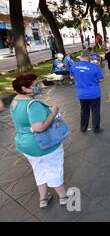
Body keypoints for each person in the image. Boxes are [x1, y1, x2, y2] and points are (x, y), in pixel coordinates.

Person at [10, 74, 69, 208]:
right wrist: (54, 112)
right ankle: (63, 197)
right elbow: (39, 127)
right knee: (54, 169)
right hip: (43, 145)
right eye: (35, 85)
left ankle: (43, 199)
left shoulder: (15, 101)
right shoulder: (33, 105)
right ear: (24, 88)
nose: (39, 87)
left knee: (39, 170)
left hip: (25, 144)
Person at [70, 50, 104, 134]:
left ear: (81, 57)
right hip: (94, 93)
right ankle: (96, 129)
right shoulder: (94, 67)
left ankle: (83, 128)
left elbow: (71, 77)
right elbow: (101, 79)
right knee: (95, 111)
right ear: (88, 57)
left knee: (84, 111)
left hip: (82, 94)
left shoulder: (74, 66)